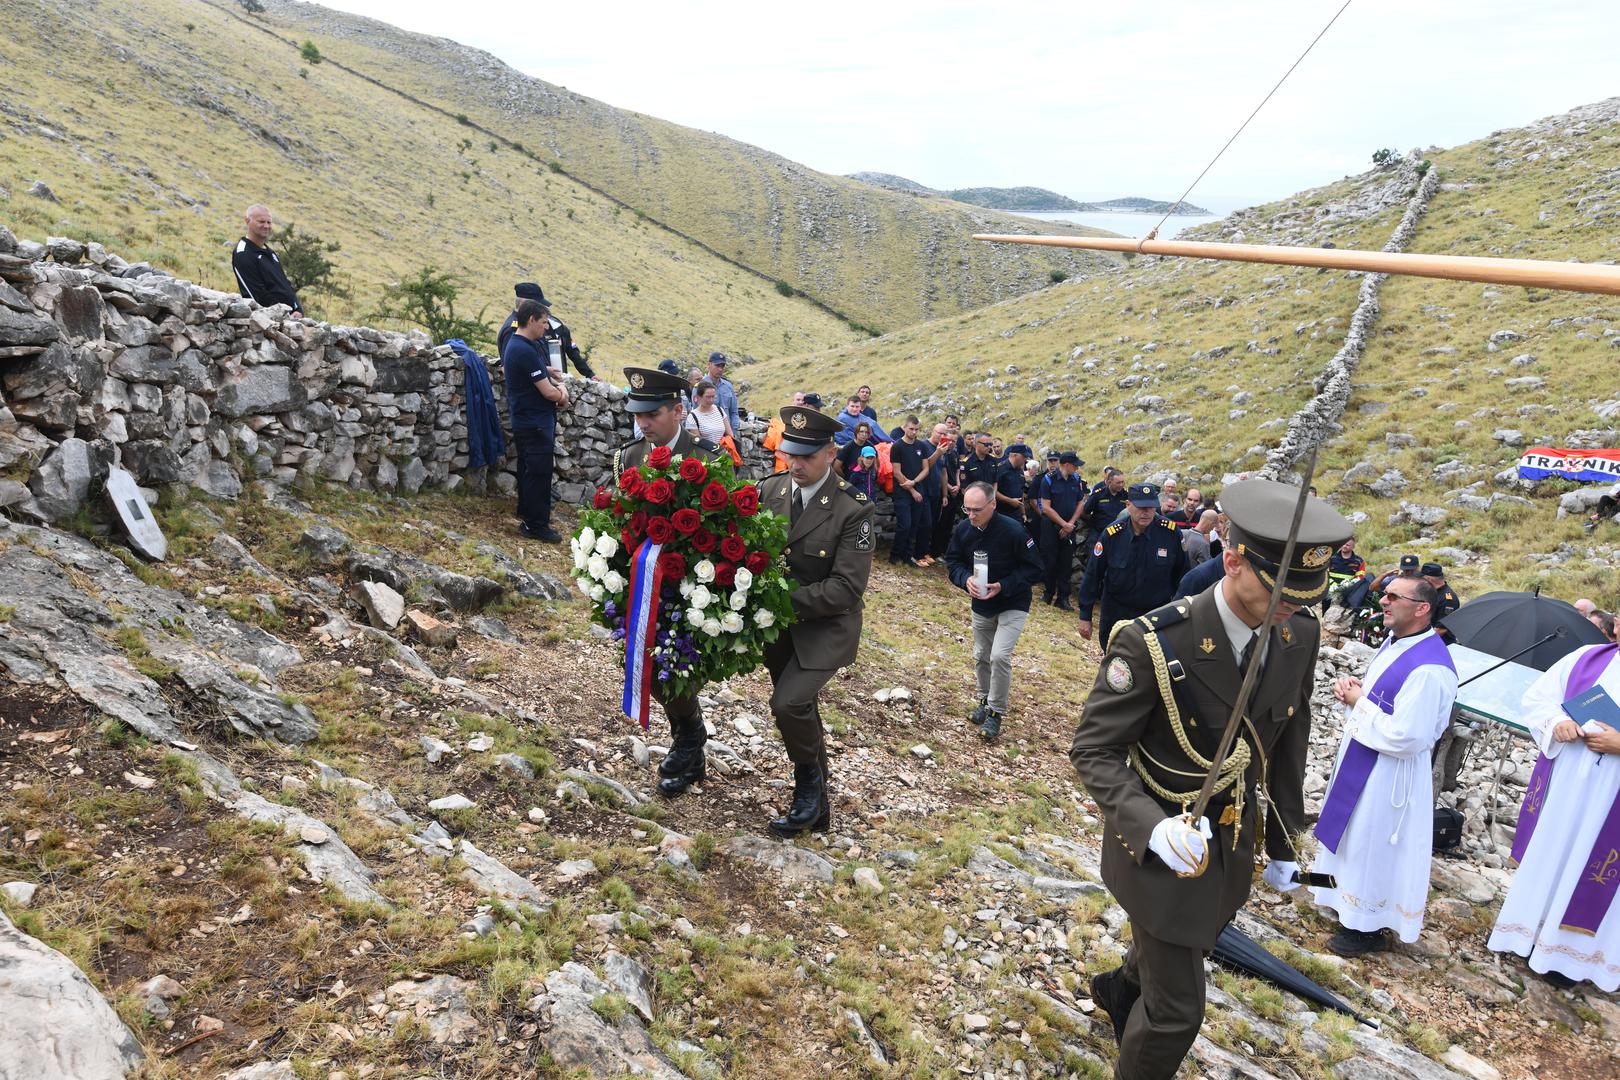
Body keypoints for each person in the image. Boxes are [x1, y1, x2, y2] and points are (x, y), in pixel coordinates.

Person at [1071, 478, 1352, 1079]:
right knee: (1176, 1012)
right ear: (1232, 561)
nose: (1294, 605)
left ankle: (1122, 992)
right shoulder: (1152, 641)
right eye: (1281, 589)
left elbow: (1285, 742)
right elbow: (1094, 750)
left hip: (1232, 845)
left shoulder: (1297, 632)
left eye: (1306, 594)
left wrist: (1281, 846)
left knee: (1187, 940)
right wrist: (1150, 829)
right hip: (1159, 849)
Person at [1310, 578, 1458, 955]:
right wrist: (1354, 693)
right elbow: (1382, 699)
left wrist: (1359, 703)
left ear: (1422, 608)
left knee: (1374, 842)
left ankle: (1368, 925)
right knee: (1355, 835)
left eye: (1394, 596)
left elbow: (1411, 736)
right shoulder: (1398, 643)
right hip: (1366, 756)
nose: (1384, 600)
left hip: (1392, 773)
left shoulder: (1430, 668)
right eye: (1385, 594)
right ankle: (1342, 899)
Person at [756, 406, 875, 835]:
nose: (796, 464)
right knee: (800, 707)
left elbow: (847, 588)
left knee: (787, 703)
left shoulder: (852, 509)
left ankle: (807, 788)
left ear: (830, 453)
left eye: (806, 455)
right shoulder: (770, 491)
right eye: (790, 453)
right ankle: (821, 805)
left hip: (826, 627)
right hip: (778, 629)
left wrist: (776, 599)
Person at [613, 367, 723, 796]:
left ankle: (688, 740)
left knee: (677, 666)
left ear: (678, 411)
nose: (642, 424)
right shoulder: (631, 456)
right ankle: (690, 736)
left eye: (651, 415)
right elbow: (618, 515)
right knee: (642, 664)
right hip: (645, 585)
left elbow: (729, 524)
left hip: (696, 583)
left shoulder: (710, 458)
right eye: (637, 416)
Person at [1487, 632, 1620, 990]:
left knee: (1592, 867)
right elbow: (1538, 698)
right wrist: (1555, 723)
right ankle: (1527, 933)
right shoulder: (1586, 658)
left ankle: (1573, 959)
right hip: (1567, 783)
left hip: (1613, 798)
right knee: (1555, 852)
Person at [946, 482, 1045, 739]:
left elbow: (1035, 569)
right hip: (981, 603)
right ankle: (983, 700)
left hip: (1013, 601)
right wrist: (964, 578)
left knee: (999, 656)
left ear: (993, 504)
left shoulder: (1014, 531)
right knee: (981, 654)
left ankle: (995, 712)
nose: (971, 515)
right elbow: (953, 561)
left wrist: (1004, 585)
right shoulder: (964, 529)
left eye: (976, 509)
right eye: (967, 509)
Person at [1077, 483, 1189, 649]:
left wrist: (1178, 614)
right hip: (1116, 612)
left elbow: (1183, 576)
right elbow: (1093, 574)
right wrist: (1085, 615)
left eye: (1150, 507)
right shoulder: (1112, 534)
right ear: (1128, 505)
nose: (1146, 512)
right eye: (1141, 507)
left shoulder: (1170, 534)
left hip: (1154, 613)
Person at [501, 299, 570, 543]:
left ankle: (528, 515)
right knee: (539, 473)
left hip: (527, 419)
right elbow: (548, 393)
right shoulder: (524, 350)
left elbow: (536, 374)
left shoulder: (519, 345)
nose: (545, 328)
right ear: (531, 320)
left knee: (530, 470)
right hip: (535, 422)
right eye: (542, 323)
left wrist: (546, 372)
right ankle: (536, 525)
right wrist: (562, 392)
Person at [497, 283, 598, 379]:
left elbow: (572, 351)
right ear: (526, 304)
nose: (541, 309)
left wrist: (589, 374)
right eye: (538, 305)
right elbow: (510, 368)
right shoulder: (513, 329)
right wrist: (544, 376)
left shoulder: (553, 324)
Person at [889, 416, 944, 568]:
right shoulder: (897, 446)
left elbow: (926, 468)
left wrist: (914, 482)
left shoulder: (921, 446)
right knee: (904, 525)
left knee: (914, 525)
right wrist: (912, 489)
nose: (914, 432)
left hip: (918, 488)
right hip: (902, 492)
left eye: (916, 429)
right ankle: (895, 555)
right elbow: (897, 472)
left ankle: (907, 556)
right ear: (904, 427)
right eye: (911, 429)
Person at [232, 205, 303, 317]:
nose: (266, 226)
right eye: (261, 222)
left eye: (269, 222)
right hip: (270, 322)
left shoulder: (270, 253)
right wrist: (285, 314)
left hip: (290, 318)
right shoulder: (243, 254)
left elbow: (284, 285)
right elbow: (257, 295)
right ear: (247, 221)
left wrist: (298, 309)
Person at [1037, 452, 1087, 609]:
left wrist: (1070, 524)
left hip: (1069, 527)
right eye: (1075, 465)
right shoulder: (1049, 479)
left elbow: (1080, 503)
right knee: (1049, 560)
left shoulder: (1076, 479)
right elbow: (1045, 507)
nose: (1077, 468)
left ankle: (1063, 598)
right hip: (1051, 526)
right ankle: (1048, 592)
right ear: (1066, 465)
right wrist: (1062, 524)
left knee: (1066, 562)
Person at [928, 423, 963, 560]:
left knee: (948, 525)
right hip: (944, 491)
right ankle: (933, 551)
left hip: (955, 492)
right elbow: (941, 473)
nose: (952, 443)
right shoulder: (941, 451)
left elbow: (957, 470)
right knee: (938, 523)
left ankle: (942, 551)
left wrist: (958, 484)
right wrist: (948, 488)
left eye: (955, 441)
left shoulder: (954, 453)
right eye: (950, 440)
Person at [684, 379, 734, 444]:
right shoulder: (693, 417)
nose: (711, 400)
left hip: (724, 450)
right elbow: (698, 444)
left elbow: (730, 435)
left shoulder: (720, 410)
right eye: (708, 397)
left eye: (713, 397)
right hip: (706, 453)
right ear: (699, 397)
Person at [706, 352, 743, 434]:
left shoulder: (728, 386)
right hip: (709, 435)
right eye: (717, 366)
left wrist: (733, 432)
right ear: (709, 365)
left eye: (722, 366)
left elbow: (734, 412)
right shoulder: (700, 387)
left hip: (728, 435)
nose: (720, 369)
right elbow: (697, 413)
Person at [994, 444, 1031, 521]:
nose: (1026, 460)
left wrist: (1023, 513)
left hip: (1017, 513)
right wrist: (1010, 501)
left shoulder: (1020, 470)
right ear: (1015, 455)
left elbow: (1021, 492)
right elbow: (993, 492)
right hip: (1002, 513)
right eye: (1024, 457)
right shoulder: (1000, 469)